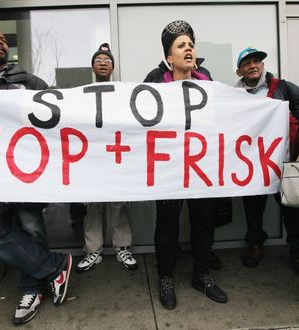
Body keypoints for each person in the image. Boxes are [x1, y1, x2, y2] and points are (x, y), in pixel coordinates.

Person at [0, 27, 72, 325]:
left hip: (22, 170)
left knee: (31, 227)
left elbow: (58, 115)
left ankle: (31, 289)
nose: (0, 41)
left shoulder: (28, 82)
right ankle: (55, 267)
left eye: (3, 38)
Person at [144, 20, 228, 310]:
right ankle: (165, 276)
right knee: (167, 224)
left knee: (203, 221)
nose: (188, 48)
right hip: (168, 166)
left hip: (200, 165)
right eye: (181, 45)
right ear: (169, 57)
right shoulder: (155, 81)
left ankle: (201, 274)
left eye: (191, 44)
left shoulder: (207, 79)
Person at [235, 46, 299, 271]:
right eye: (247, 63)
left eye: (257, 61)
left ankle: (296, 250)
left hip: (283, 164)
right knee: (252, 209)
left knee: (291, 209)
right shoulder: (233, 96)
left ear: (263, 65)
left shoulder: (283, 88)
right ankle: (255, 246)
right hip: (252, 166)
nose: (253, 65)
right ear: (239, 71)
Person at [76, 43, 137, 272]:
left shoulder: (122, 93)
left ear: (112, 67)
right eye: (99, 59)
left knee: (118, 204)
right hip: (92, 158)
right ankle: (93, 250)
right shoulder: (81, 94)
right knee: (93, 206)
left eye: (107, 60)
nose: (103, 62)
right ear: (93, 66)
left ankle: (122, 247)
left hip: (116, 157)